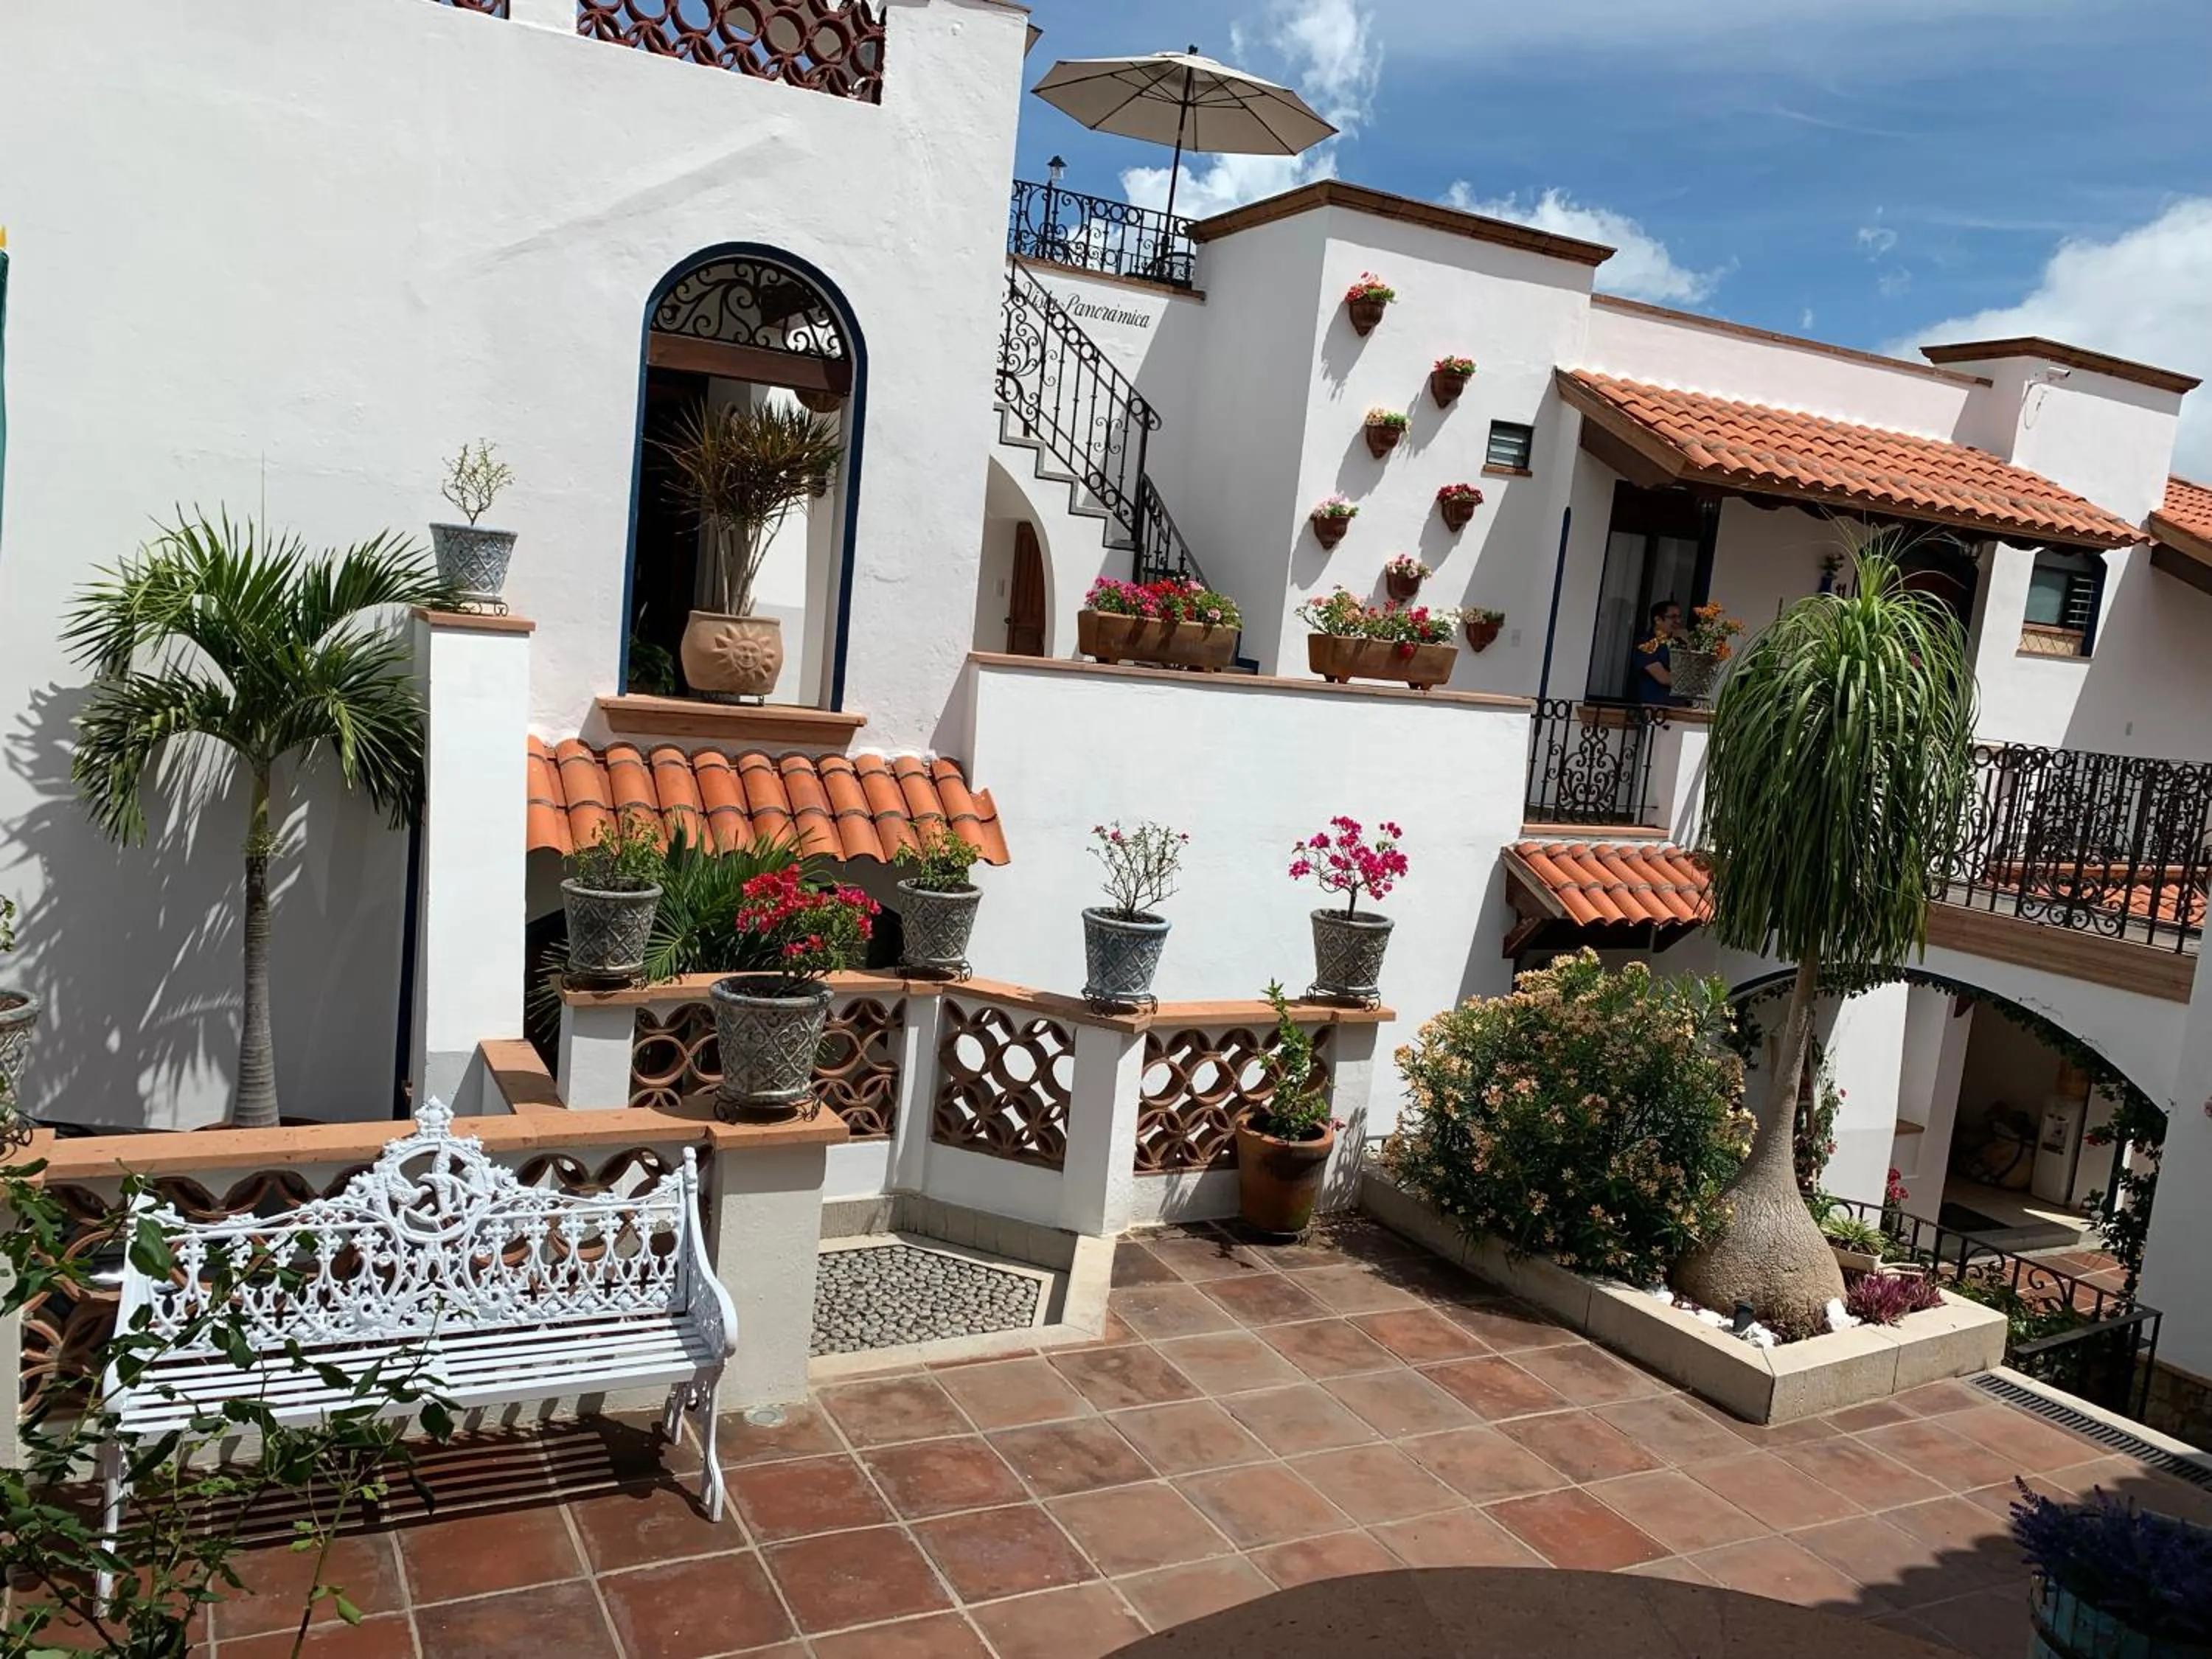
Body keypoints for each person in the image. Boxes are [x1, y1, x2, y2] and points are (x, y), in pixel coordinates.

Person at [1632, 600, 1689, 706]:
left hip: (1679, 706)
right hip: (1655, 708)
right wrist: (1690, 683)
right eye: (1673, 617)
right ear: (1658, 620)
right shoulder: (1646, 643)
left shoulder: (1679, 643)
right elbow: (1663, 678)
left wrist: (1689, 642)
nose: (1678, 621)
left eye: (1679, 617)